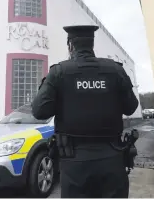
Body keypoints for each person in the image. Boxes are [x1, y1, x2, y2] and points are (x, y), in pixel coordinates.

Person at [32, 25, 139, 198]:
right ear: (92, 45)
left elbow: (39, 111)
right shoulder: (115, 70)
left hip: (74, 163)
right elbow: (131, 107)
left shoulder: (58, 72)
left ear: (71, 46)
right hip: (112, 159)